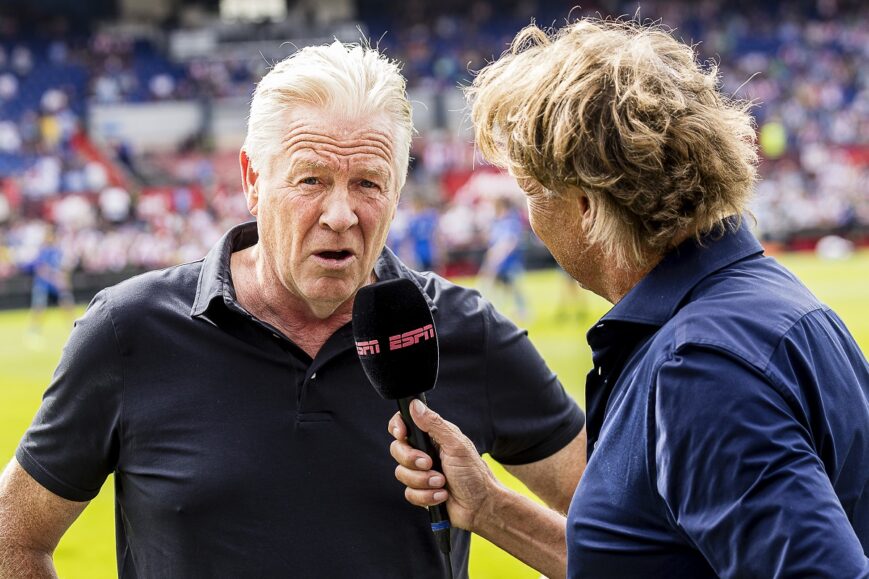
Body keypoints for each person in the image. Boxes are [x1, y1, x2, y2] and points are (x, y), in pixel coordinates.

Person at [0, 41, 586, 578]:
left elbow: (640, 546)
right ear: (253, 179)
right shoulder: (129, 331)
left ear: (400, 189)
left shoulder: (464, 329)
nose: (340, 214)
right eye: (310, 179)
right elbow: (13, 540)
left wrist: (493, 510)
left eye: (367, 183)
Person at [388, 18, 869, 579]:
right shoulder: (763, 303)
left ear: (587, 207)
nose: (532, 222)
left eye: (534, 195)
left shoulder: (699, 369)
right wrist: (492, 507)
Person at [478, 195, 528, 321]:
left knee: (513, 288)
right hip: (496, 262)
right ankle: (496, 312)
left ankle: (522, 312)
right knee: (494, 287)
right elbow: (491, 241)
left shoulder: (510, 221)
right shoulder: (497, 222)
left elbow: (510, 242)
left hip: (509, 262)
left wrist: (498, 257)